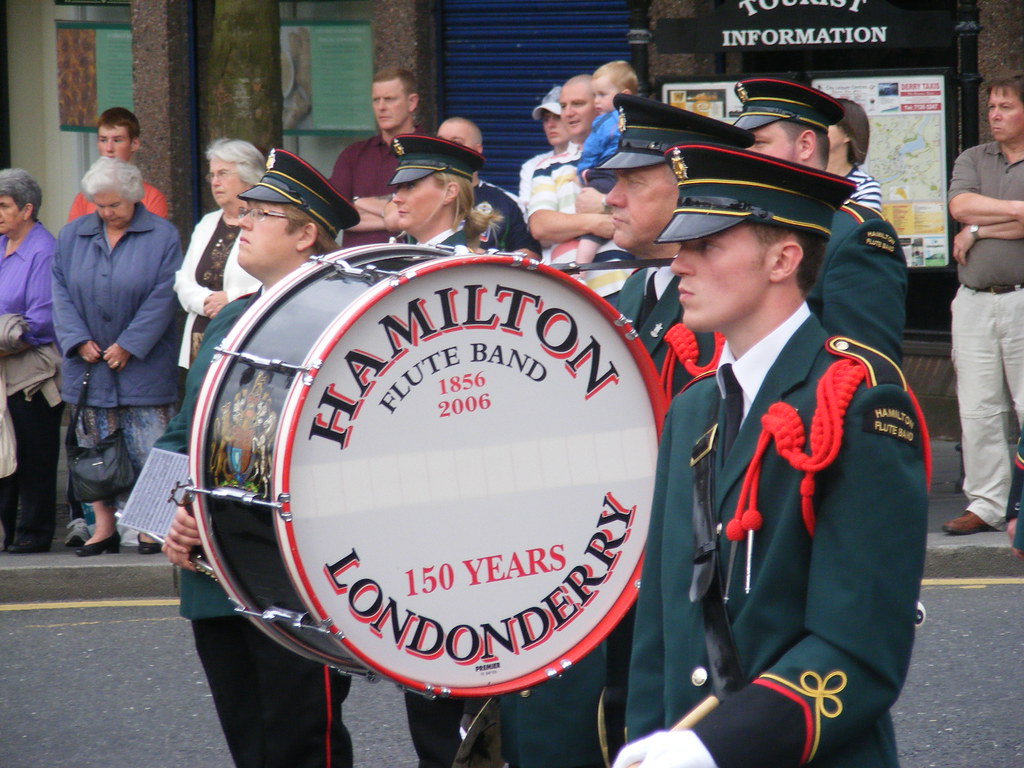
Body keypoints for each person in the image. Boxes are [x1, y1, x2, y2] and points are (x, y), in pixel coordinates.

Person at [614, 142, 928, 768]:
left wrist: (714, 748)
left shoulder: (854, 403)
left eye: (706, 246)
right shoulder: (692, 408)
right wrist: (650, 739)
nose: (679, 266)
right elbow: (660, 628)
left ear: (784, 258)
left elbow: (859, 650)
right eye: (679, 246)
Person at [159, 148, 359, 768]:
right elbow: (180, 432)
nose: (241, 222)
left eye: (262, 213)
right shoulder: (233, 320)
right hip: (212, 572)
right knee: (250, 745)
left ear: (306, 235)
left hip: (297, 573)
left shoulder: (348, 322)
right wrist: (170, 512)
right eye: (245, 211)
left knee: (304, 745)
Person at [577, 94, 754, 398]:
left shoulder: (727, 300)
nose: (611, 198)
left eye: (633, 182)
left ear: (688, 189)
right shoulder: (635, 288)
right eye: (616, 181)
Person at [52, 157, 182, 556]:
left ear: (135, 198)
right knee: (96, 454)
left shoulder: (162, 235)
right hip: (89, 366)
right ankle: (104, 528)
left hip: (143, 364)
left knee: (152, 449)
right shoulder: (73, 235)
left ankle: (149, 527)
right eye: (100, 205)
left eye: (115, 206)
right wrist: (77, 340)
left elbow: (164, 296)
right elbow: (59, 290)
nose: (107, 213)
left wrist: (129, 344)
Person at [733, 77, 907, 364]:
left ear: (805, 146)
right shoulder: (743, 224)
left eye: (760, 143)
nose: (747, 156)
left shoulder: (854, 235)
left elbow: (864, 371)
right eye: (744, 145)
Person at [942, 71, 1024, 535]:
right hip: (973, 300)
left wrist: (978, 230)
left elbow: (974, 216)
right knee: (978, 409)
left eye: (1006, 106)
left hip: (1022, 300)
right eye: (991, 107)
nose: (995, 115)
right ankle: (988, 503)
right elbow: (960, 207)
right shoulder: (973, 157)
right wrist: (1013, 211)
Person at [0, 169, 63, 553]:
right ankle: (6, 531)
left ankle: (35, 534)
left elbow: (38, 324)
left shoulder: (44, 250)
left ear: (27, 209)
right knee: (4, 456)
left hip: (32, 376)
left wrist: (5, 339)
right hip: (4, 371)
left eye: (4, 206)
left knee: (34, 456)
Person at [174, 138, 263, 368]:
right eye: (212, 175)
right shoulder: (207, 222)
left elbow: (280, 282)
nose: (215, 182)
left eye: (223, 173)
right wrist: (205, 302)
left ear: (248, 176)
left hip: (243, 339)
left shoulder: (266, 223)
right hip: (199, 343)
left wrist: (231, 300)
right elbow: (182, 281)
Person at [329, 66, 428, 248]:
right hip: (357, 265)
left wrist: (359, 203)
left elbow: (428, 215)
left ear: (412, 103)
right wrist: (392, 219)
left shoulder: (431, 153)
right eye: (376, 100)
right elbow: (336, 215)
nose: (381, 107)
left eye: (389, 99)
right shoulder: (353, 154)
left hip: (412, 263)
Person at [435, 117, 541, 257]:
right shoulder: (422, 196)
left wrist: (490, 259)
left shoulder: (505, 202)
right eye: (441, 142)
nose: (447, 149)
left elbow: (531, 255)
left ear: (477, 150)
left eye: (456, 143)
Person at [385, 133, 498, 251]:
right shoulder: (412, 256)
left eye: (410, 186)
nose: (396, 199)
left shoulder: (461, 265)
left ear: (449, 192)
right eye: (398, 188)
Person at [575, 60, 638, 265]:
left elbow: (590, 152)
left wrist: (584, 172)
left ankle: (583, 264)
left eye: (602, 95)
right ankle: (582, 264)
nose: (596, 102)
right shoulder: (609, 123)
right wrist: (585, 172)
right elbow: (590, 153)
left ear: (625, 96)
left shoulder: (608, 122)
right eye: (594, 95)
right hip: (610, 172)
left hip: (617, 171)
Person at [67, 107, 168, 221]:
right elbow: (73, 237)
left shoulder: (152, 197)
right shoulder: (84, 198)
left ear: (134, 144)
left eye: (117, 140)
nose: (109, 148)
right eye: (103, 140)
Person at [826, 97, 882, 211]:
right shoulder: (805, 176)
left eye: (828, 123)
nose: (820, 128)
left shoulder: (865, 187)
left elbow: (861, 227)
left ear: (847, 134)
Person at [519, 85, 570, 206]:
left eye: (557, 117)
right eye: (546, 119)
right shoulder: (532, 166)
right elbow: (529, 214)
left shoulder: (591, 159)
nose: (550, 124)